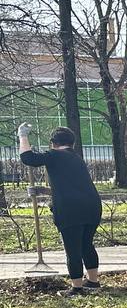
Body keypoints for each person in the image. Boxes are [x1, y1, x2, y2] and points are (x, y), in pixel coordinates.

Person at [18, 124, 103, 296]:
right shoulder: (76, 158)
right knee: (87, 245)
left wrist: (23, 136)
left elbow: (28, 158)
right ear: (72, 143)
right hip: (92, 206)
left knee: (72, 249)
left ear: (53, 143)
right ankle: (93, 282)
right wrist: (43, 190)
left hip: (70, 210)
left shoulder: (54, 155)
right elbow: (72, 187)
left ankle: (77, 288)